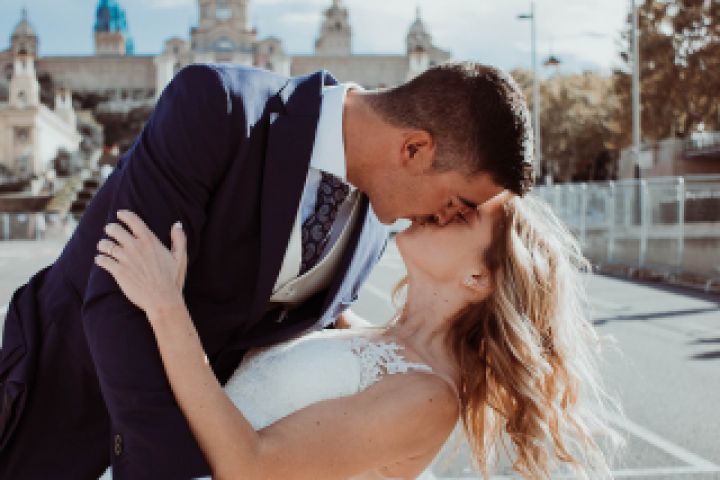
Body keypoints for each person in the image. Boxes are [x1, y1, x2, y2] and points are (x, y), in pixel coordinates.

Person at [0, 62, 533, 478]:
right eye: (458, 201)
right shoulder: (218, 106)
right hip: (62, 412)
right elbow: (117, 292)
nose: (446, 217)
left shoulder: (376, 227)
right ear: (414, 148)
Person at [94, 189, 622, 480]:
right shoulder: (360, 332)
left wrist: (165, 306)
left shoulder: (430, 398)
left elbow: (248, 466)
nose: (441, 207)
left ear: (478, 278)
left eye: (463, 216)